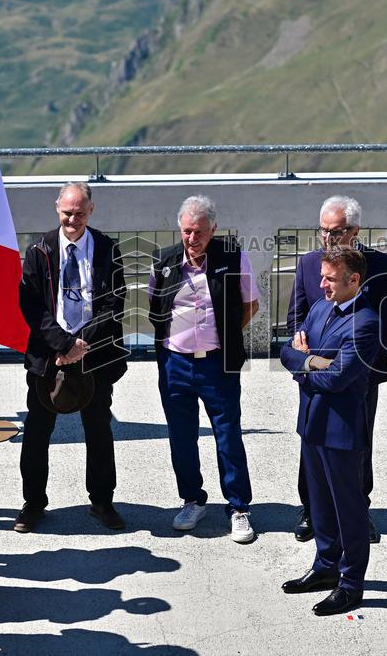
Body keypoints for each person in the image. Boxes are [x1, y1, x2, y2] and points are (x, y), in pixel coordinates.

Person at [14, 182, 130, 533]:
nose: (72, 219)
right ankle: (33, 503)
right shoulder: (39, 249)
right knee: (37, 431)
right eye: (67, 212)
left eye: (79, 212)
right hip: (49, 356)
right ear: (56, 208)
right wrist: (62, 345)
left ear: (91, 211)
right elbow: (30, 304)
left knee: (99, 430)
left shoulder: (108, 248)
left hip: (95, 354)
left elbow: (115, 302)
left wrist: (81, 344)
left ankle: (102, 501)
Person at [148, 195, 260, 543]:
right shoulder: (164, 260)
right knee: (182, 437)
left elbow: (250, 305)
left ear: (213, 228)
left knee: (227, 435)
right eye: (186, 232)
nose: (191, 239)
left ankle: (238, 507)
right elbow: (155, 306)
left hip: (216, 363)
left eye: (198, 232)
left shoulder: (233, 256)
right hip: (175, 363)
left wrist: (224, 335)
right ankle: (192, 500)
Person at [286, 195, 387, 544]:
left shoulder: (379, 264)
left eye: (335, 232)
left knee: (357, 442)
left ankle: (358, 510)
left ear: (355, 230)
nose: (328, 238)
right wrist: (314, 362)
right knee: (311, 438)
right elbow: (296, 319)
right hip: (315, 376)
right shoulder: (308, 264)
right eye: (323, 231)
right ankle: (311, 510)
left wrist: (349, 363)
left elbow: (386, 324)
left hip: (360, 375)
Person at [280, 246, 380, 616]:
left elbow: (339, 379)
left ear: (354, 280)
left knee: (348, 509)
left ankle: (351, 583)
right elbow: (286, 352)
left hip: (341, 429)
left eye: (330, 278)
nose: (321, 284)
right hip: (312, 423)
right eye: (321, 275)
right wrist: (312, 361)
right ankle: (325, 566)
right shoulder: (321, 307)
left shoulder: (366, 321)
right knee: (319, 504)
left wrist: (305, 365)